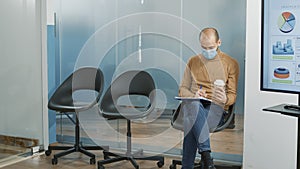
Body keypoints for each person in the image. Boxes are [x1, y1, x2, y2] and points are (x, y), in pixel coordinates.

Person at [178, 27, 239, 169]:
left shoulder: (231, 63)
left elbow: (233, 95)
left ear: (219, 42)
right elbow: (182, 89)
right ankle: (207, 157)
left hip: (216, 110)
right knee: (193, 105)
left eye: (211, 47)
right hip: (195, 105)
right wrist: (193, 95)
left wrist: (225, 99)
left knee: (190, 118)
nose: (207, 51)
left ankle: (188, 166)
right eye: (203, 47)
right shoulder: (193, 61)